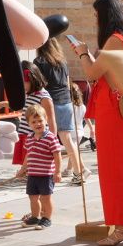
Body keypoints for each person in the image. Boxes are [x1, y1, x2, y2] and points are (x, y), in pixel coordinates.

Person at [69, 0, 123, 246]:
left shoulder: (114, 41)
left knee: (113, 169)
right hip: (122, 107)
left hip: (113, 108)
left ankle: (122, 225)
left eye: (97, 15)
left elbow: (91, 73)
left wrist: (82, 53)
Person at [34, 36, 85, 183]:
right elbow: (67, 80)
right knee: (68, 141)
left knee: (47, 139)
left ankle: (49, 172)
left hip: (51, 102)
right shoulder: (63, 62)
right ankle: (79, 171)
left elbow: (38, 83)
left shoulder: (39, 62)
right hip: (66, 102)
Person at [20, 105, 62, 229]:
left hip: (46, 175)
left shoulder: (50, 138)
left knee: (45, 198)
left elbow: (57, 155)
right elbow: (28, 154)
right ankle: (35, 217)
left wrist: (58, 172)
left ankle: (47, 218)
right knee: (32, 197)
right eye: (34, 122)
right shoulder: (29, 137)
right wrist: (23, 168)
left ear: (46, 120)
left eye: (40, 121)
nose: (38, 124)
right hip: (33, 174)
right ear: (28, 124)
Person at [13, 63, 55, 177]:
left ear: (33, 79)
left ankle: (32, 175)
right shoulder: (30, 94)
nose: (22, 86)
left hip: (37, 135)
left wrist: (52, 140)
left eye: (24, 82)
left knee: (33, 158)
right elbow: (26, 107)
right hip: (26, 132)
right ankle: (28, 173)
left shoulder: (44, 97)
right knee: (28, 159)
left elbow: (51, 120)